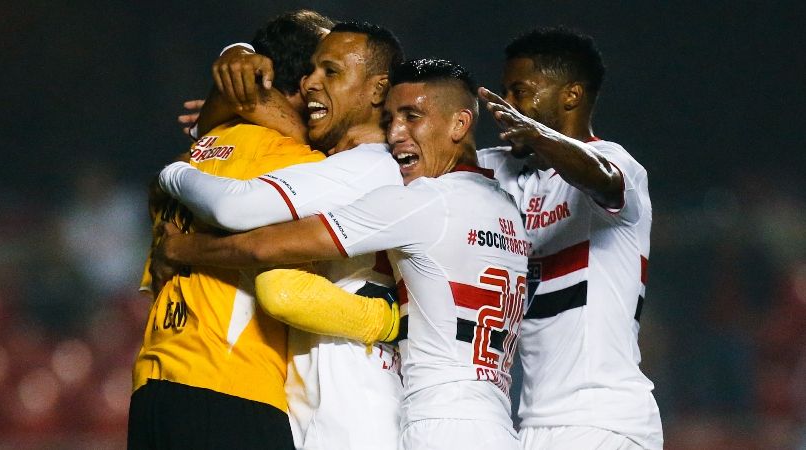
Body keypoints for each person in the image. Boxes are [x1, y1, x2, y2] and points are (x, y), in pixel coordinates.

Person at [156, 58, 527, 450]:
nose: (396, 134)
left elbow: (263, 246)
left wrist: (183, 238)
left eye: (411, 116)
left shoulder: (421, 202)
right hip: (496, 422)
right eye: (390, 120)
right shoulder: (508, 210)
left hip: (439, 424)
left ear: (459, 124)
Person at [158, 22, 407, 450]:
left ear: (376, 90)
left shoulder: (371, 166)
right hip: (303, 404)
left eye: (330, 72)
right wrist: (230, 102)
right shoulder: (331, 164)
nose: (310, 83)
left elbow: (236, 210)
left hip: (358, 402)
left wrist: (175, 171)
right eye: (309, 71)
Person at [128, 10, 332, 450]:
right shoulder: (297, 165)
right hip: (230, 387)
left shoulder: (194, 154)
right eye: (330, 70)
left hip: (152, 388)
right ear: (306, 84)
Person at [476, 27, 663, 449]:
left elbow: (603, 179)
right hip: (533, 423)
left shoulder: (617, 164)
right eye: (505, 92)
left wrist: (537, 136)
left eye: (521, 91)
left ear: (572, 95)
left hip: (603, 420)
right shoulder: (511, 174)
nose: (509, 106)